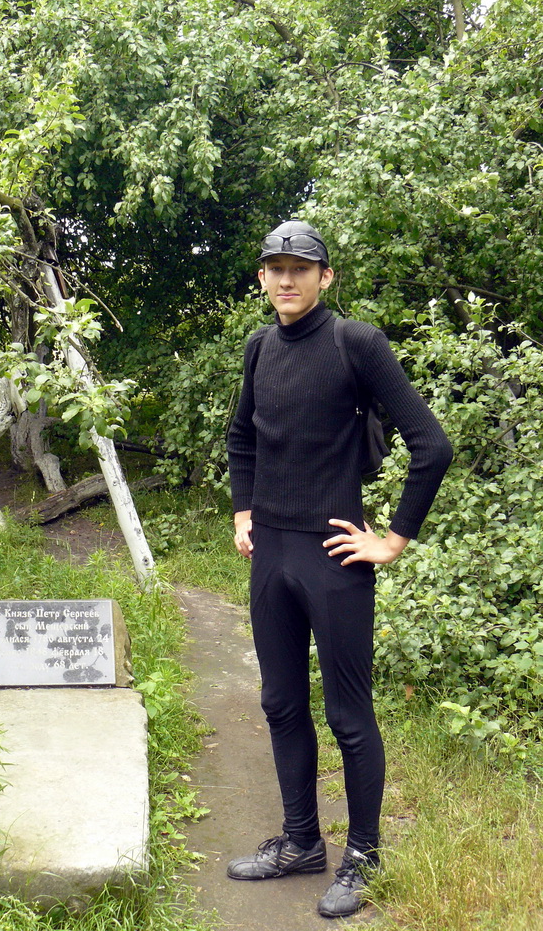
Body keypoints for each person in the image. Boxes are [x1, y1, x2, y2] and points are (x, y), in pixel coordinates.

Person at [225, 219, 452, 918]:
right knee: (281, 703)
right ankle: (301, 842)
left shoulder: (357, 343)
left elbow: (432, 445)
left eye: (301, 268)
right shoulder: (260, 347)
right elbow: (241, 437)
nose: (287, 279)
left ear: (325, 277)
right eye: (276, 268)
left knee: (348, 713)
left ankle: (364, 855)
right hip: (271, 556)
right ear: (263, 278)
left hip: (333, 558)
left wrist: (393, 540)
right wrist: (243, 512)